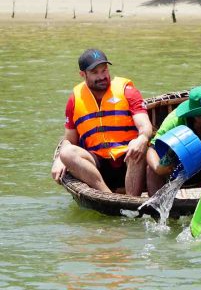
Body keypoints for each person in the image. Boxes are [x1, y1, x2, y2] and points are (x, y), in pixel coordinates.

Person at [51, 49, 154, 195]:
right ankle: (108, 196)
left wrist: (142, 138)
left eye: (104, 70)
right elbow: (70, 140)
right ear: (83, 74)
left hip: (129, 160)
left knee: (137, 147)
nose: (102, 76)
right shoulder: (74, 100)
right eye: (95, 72)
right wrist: (60, 160)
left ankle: (132, 201)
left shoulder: (128, 91)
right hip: (97, 166)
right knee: (67, 152)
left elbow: (145, 125)